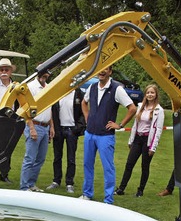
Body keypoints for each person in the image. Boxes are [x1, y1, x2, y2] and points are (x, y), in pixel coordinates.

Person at [80, 66, 137, 203]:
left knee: (108, 168)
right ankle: (87, 194)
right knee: (87, 164)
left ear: (110, 72)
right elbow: (84, 102)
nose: (102, 71)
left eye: (106, 69)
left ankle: (108, 199)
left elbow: (132, 108)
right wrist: (87, 118)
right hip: (90, 133)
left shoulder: (117, 89)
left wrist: (120, 125)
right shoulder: (92, 87)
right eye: (101, 69)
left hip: (105, 136)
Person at [115, 84, 165, 197]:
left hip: (148, 140)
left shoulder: (159, 110)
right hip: (137, 138)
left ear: (156, 94)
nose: (150, 95)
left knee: (144, 166)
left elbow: (158, 130)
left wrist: (153, 147)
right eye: (148, 92)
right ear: (145, 94)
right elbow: (135, 125)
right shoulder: (140, 106)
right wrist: (131, 140)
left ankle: (140, 190)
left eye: (152, 93)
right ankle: (121, 188)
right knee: (129, 164)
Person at [19, 69, 53, 192]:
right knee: (30, 158)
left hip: (45, 126)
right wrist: (31, 127)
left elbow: (50, 108)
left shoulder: (49, 87)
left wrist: (52, 126)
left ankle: (31, 184)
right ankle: (24, 187)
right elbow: (25, 108)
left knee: (40, 159)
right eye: (42, 73)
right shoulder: (30, 87)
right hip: (34, 125)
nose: (45, 75)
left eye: (47, 73)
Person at [45, 88, 85, 193]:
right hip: (59, 129)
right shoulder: (57, 93)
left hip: (72, 130)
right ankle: (56, 180)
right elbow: (52, 111)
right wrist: (52, 127)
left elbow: (83, 112)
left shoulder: (78, 93)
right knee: (57, 157)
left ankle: (69, 183)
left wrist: (77, 128)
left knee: (71, 158)